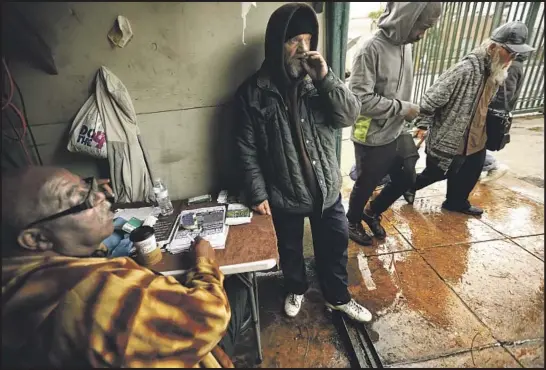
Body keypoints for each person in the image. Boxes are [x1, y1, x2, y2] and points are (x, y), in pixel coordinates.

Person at [2, 166, 247, 368]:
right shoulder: (92, 291)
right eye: (79, 198)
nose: (103, 196)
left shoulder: (16, 275)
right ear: (35, 239)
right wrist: (205, 263)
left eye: (89, 185)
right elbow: (210, 317)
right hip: (194, 333)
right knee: (238, 289)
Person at [234, 3, 371, 322]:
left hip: (326, 189)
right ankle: (295, 287)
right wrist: (257, 193)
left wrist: (325, 78)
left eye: (308, 39)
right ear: (276, 43)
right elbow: (246, 147)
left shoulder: (319, 79)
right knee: (291, 249)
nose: (303, 48)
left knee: (335, 244)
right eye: (294, 40)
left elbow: (349, 115)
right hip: (284, 191)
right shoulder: (253, 92)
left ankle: (338, 296)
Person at [408, 21, 535, 215]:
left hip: (477, 136)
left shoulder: (497, 71)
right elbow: (429, 100)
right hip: (452, 136)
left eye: (516, 53)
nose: (512, 57)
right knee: (437, 173)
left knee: (470, 171)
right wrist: (423, 124)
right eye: (509, 51)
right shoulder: (465, 69)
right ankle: (404, 186)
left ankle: (456, 202)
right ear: (493, 47)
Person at [346, 2, 442, 245]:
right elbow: (359, 100)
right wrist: (403, 108)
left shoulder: (405, 46)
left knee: (406, 179)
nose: (422, 34)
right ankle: (352, 221)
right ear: (406, 20)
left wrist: (407, 113)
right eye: (421, 27)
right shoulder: (370, 49)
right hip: (372, 134)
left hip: (398, 129)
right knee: (367, 182)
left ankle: (372, 212)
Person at [480, 52, 530, 184]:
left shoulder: (512, 66)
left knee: (475, 142)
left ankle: (493, 166)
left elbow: (505, 93)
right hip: (491, 111)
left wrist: (487, 108)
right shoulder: (512, 64)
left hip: (491, 112)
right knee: (476, 142)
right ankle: (484, 167)